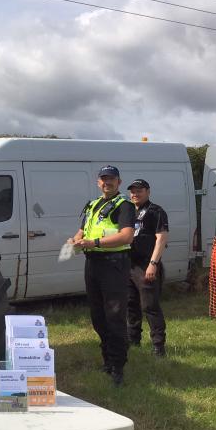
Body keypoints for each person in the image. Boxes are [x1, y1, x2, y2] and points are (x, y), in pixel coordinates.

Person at [68, 165, 136, 387]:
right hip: (93, 263)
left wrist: (94, 243)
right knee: (98, 316)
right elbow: (82, 230)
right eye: (103, 179)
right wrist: (75, 240)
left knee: (114, 316)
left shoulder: (124, 205)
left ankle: (118, 366)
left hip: (114, 265)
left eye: (111, 179)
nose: (107, 183)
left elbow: (127, 236)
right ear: (98, 182)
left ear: (119, 182)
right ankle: (107, 359)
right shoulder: (93, 204)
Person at [126, 179, 169, 358]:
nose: (135, 194)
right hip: (128, 265)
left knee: (150, 306)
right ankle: (133, 340)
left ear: (148, 191)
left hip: (146, 265)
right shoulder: (127, 211)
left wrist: (153, 264)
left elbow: (161, 239)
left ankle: (158, 345)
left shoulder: (156, 211)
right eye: (133, 191)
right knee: (130, 305)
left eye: (139, 190)